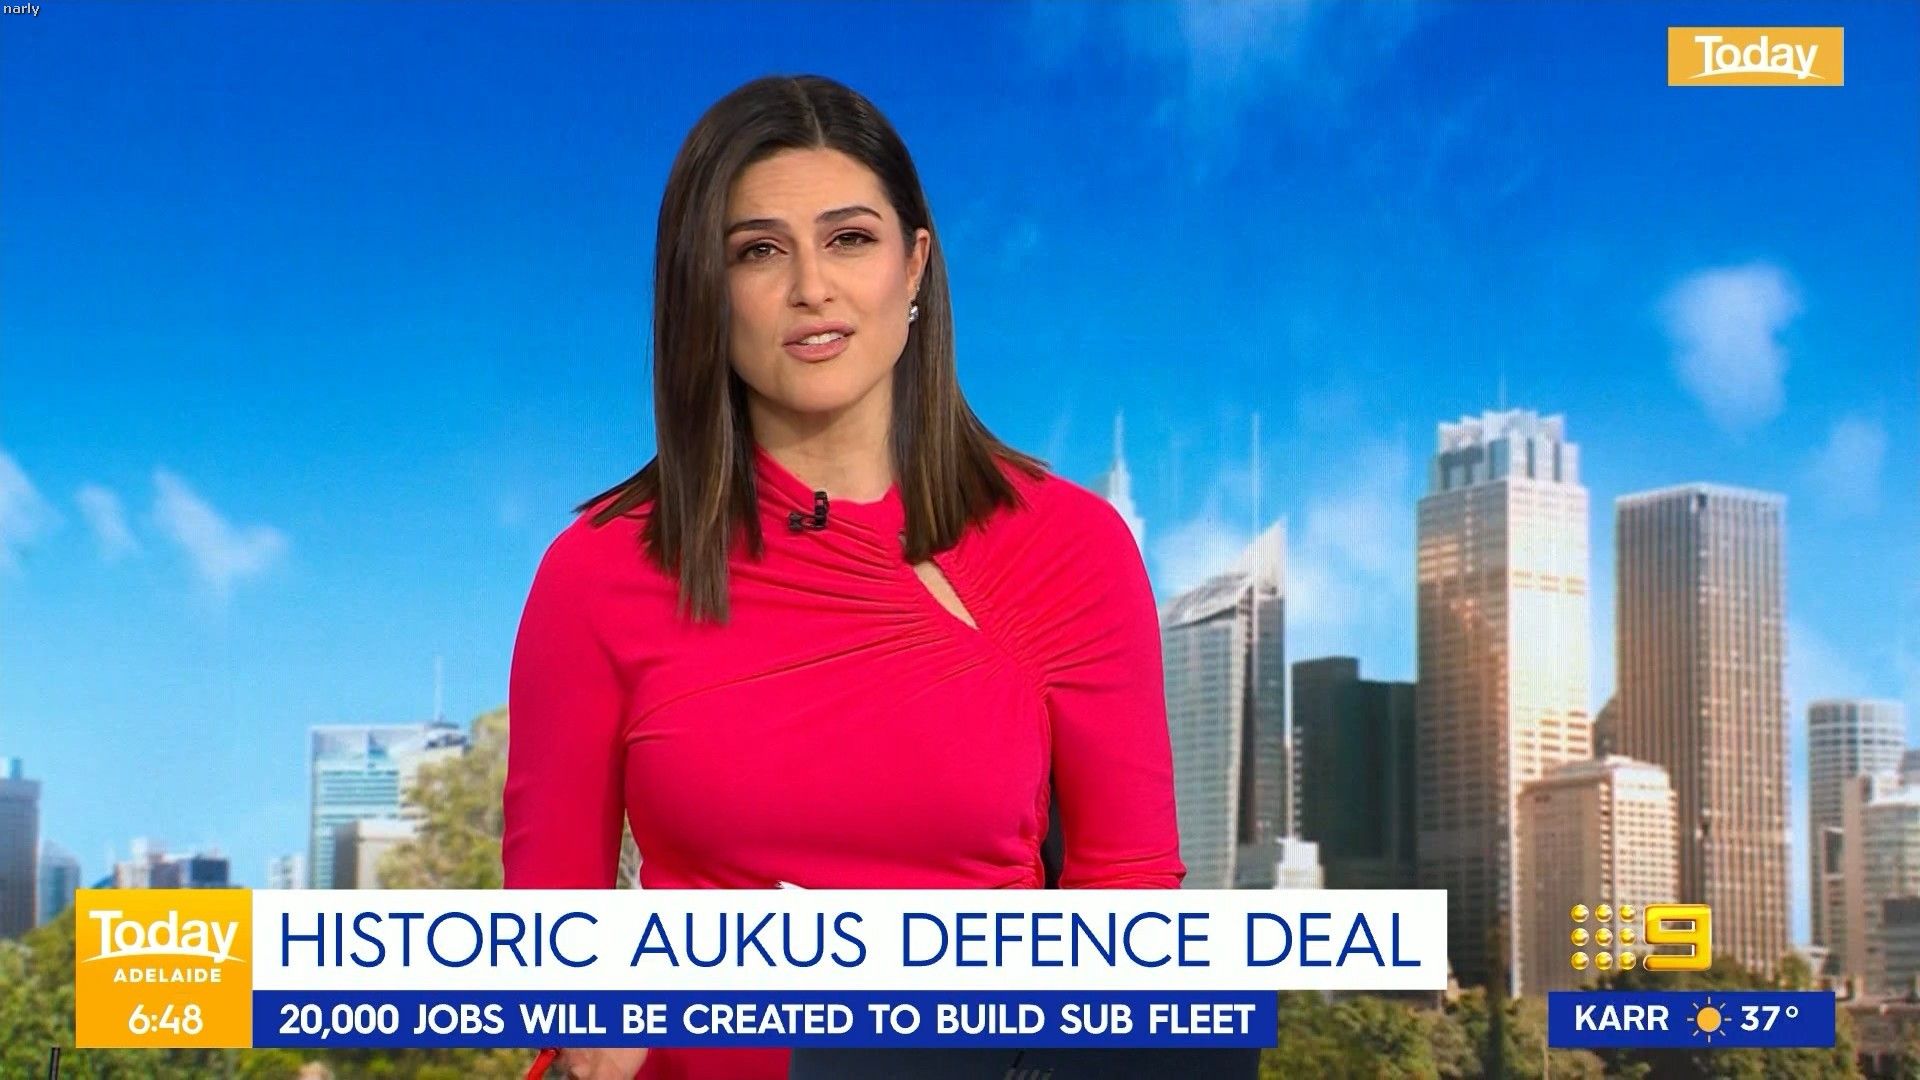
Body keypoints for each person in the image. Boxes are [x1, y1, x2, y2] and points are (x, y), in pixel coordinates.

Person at [502, 73, 1184, 1080]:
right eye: (758, 251)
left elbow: (1131, 910)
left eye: (850, 239)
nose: (810, 287)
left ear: (915, 268)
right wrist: (585, 1021)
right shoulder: (597, 572)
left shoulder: (1071, 549)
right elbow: (549, 945)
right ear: (704, 291)